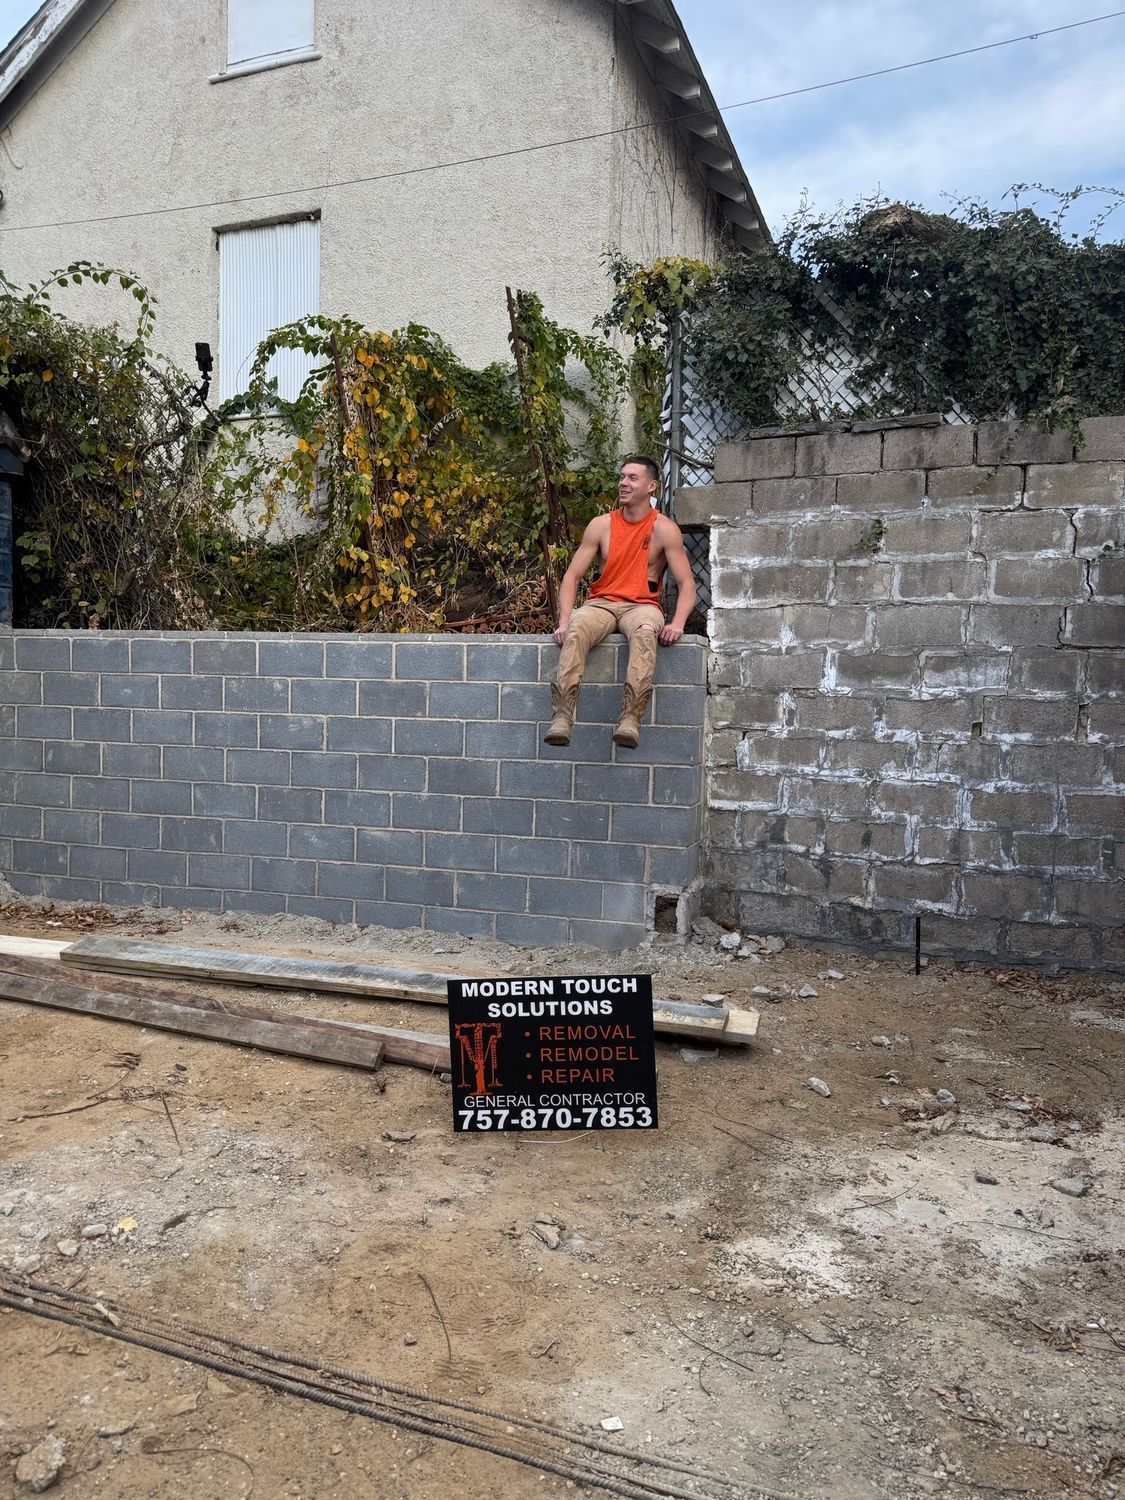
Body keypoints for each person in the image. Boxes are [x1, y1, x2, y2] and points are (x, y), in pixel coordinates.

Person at [545, 456, 696, 750]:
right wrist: (564, 620)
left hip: (642, 606)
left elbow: (687, 584)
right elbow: (572, 576)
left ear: (651, 486)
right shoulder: (601, 525)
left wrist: (677, 623)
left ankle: (630, 719)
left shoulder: (664, 529)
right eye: (622, 477)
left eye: (632, 478)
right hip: (600, 604)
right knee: (576, 628)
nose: (623, 483)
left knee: (644, 631)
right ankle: (562, 716)